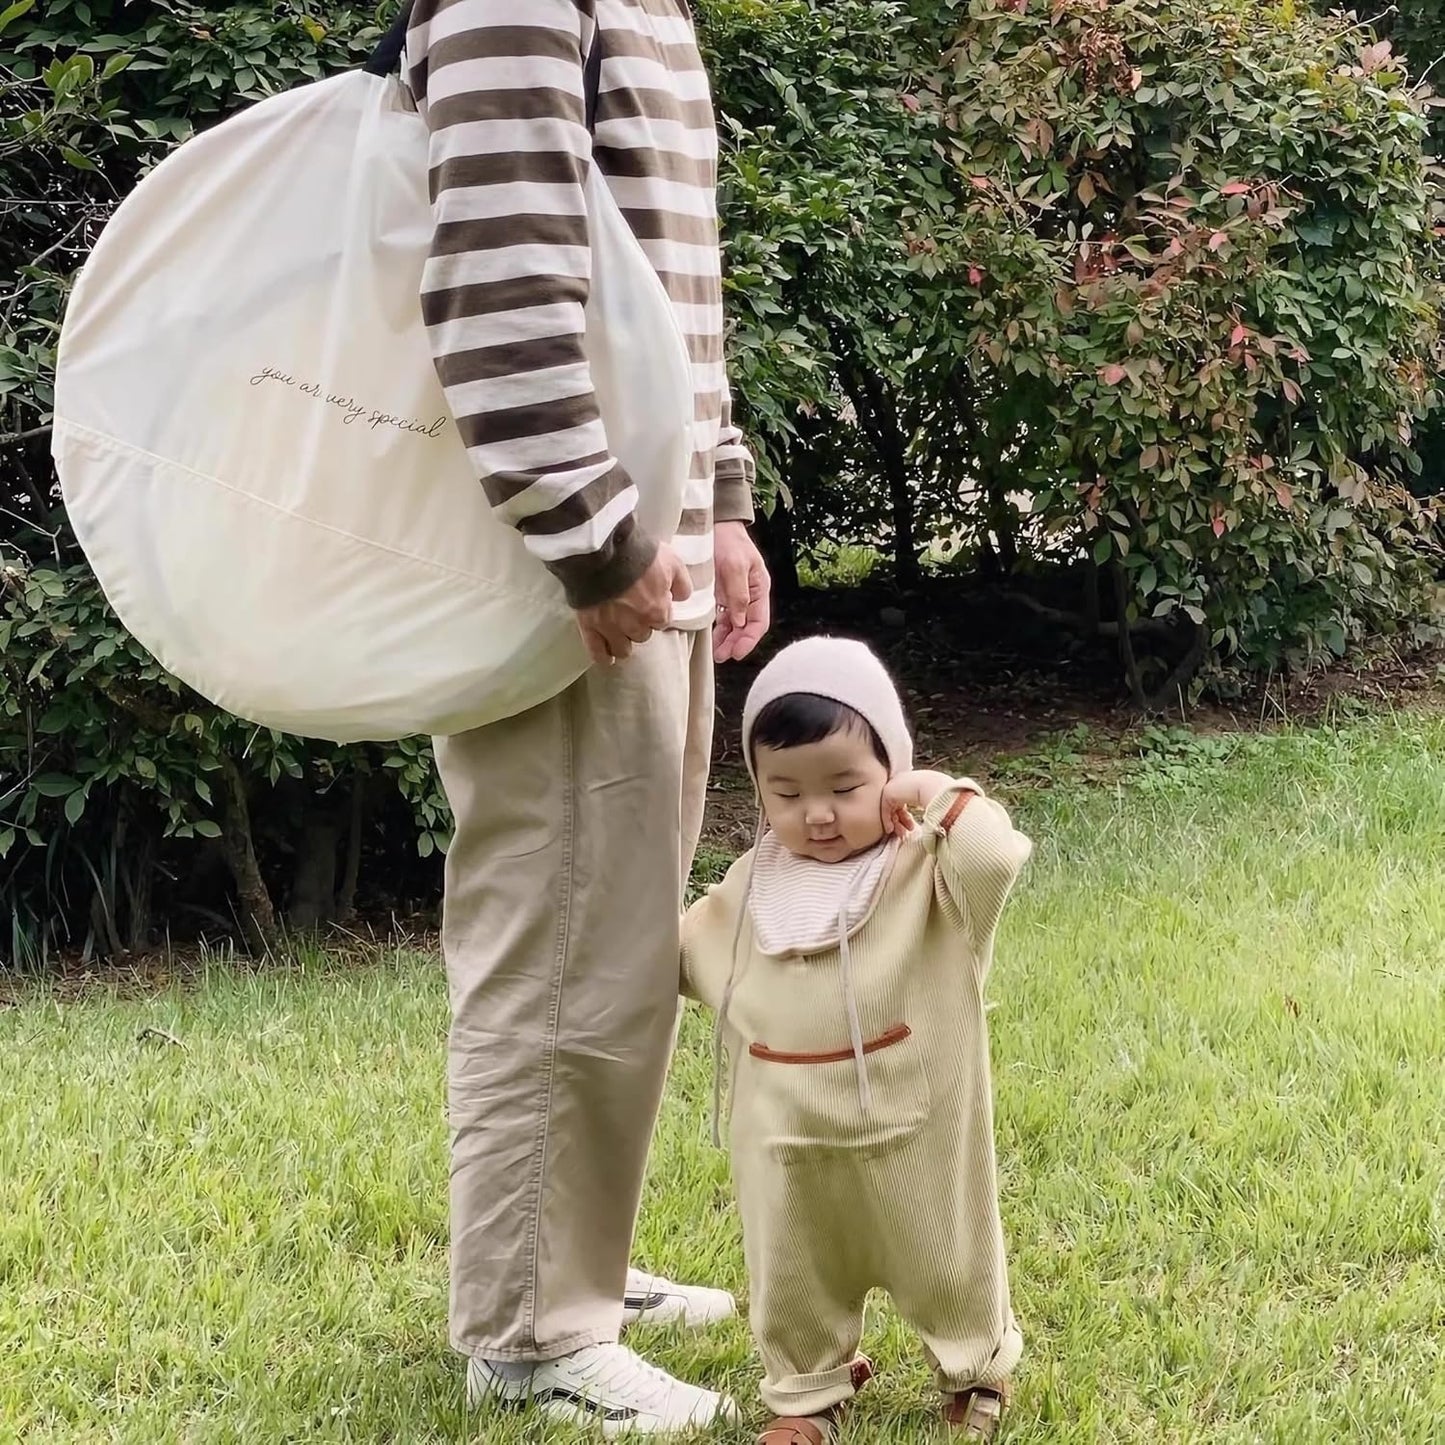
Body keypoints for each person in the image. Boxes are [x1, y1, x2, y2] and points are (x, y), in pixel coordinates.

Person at [402, 0, 771, 1432]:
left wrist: (717, 498)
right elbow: (497, 269)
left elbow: (666, 287)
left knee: (614, 940)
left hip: (642, 545)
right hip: (570, 573)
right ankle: (529, 1328)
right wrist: (590, 534)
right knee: (554, 935)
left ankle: (579, 1269)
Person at [682, 637, 1032, 1444]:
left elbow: (994, 856)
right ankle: (807, 1391)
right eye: (786, 791)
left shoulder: (928, 874)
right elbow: (687, 952)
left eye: (845, 787)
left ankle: (974, 1368)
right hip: (786, 1134)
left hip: (914, 1126)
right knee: (792, 1267)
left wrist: (934, 792)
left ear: (889, 772)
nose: (817, 813)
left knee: (945, 1252)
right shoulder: (750, 884)